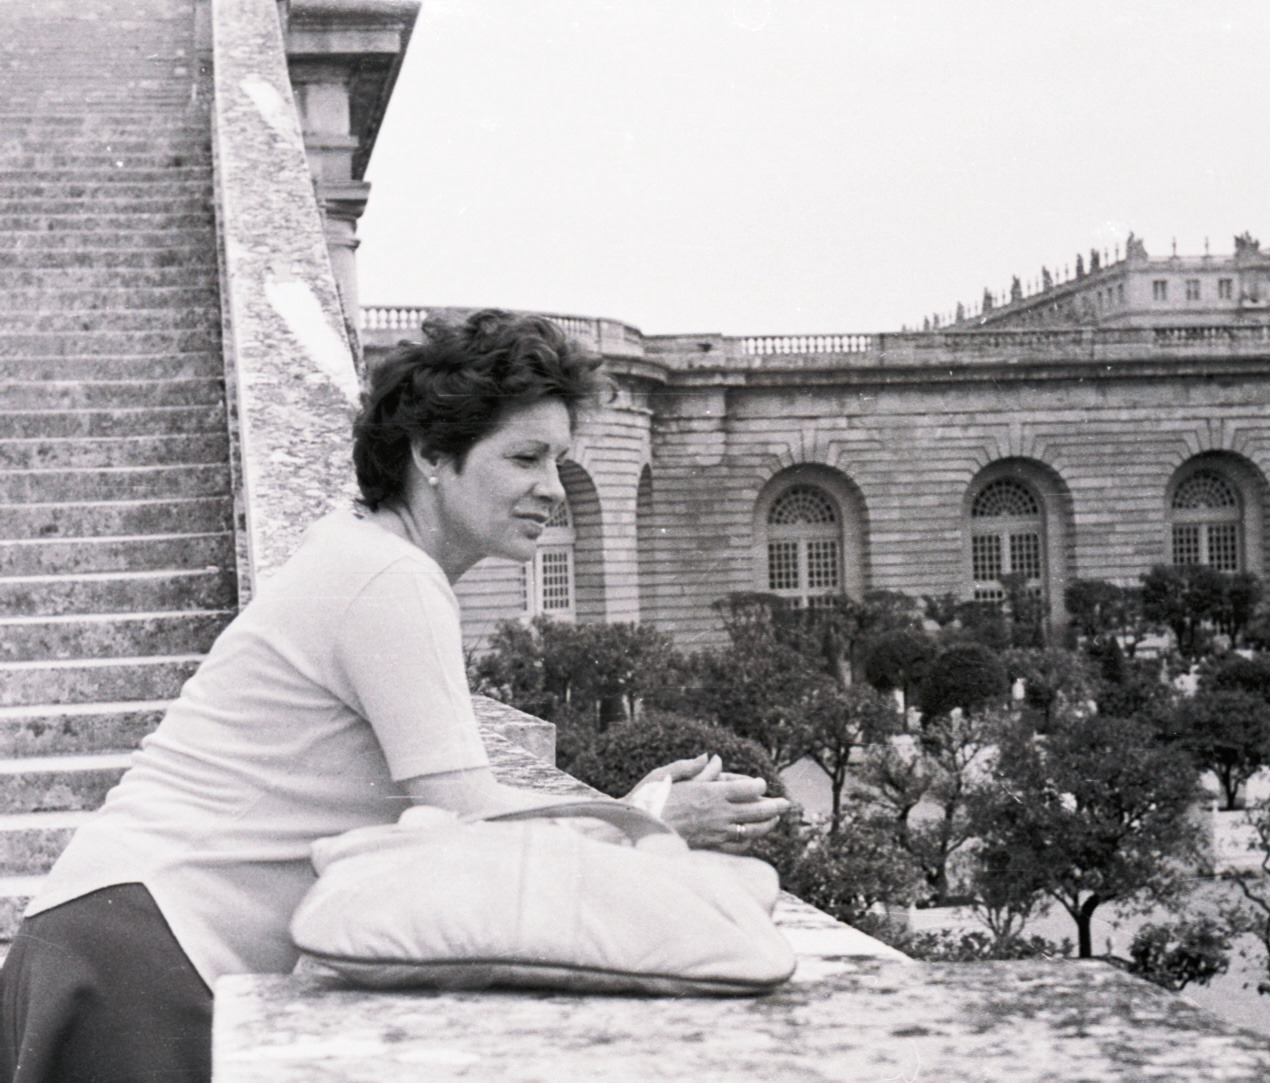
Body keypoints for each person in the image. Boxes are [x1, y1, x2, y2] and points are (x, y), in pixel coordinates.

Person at [0, 310, 790, 1083]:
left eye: (556, 461)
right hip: (148, 949)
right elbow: (462, 818)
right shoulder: (392, 578)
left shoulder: (366, 555)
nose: (552, 489)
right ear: (431, 455)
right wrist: (648, 819)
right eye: (524, 458)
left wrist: (631, 803)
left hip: (122, 930)